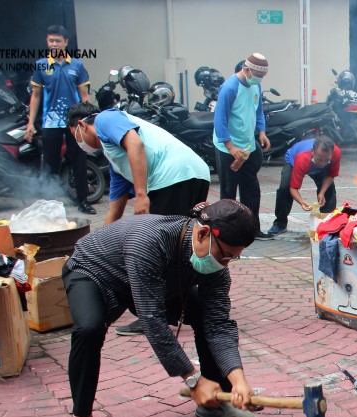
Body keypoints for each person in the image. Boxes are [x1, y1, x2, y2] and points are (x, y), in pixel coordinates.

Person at [60, 199, 259, 417]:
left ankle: (215, 402)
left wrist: (238, 380)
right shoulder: (150, 241)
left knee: (203, 313)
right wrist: (193, 380)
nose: (225, 264)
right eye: (224, 255)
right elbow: (152, 320)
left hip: (155, 281)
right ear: (202, 233)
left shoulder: (215, 268)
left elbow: (219, 325)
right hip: (96, 271)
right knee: (89, 329)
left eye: (233, 257)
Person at [68, 101, 211, 336]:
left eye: (74, 135)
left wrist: (142, 195)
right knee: (179, 247)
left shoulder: (105, 118)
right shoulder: (116, 158)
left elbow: (136, 143)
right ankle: (189, 305)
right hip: (192, 173)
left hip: (173, 177)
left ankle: (153, 315)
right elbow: (114, 211)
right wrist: (95, 249)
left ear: (82, 125)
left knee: (154, 251)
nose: (78, 143)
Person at [26, 25, 95, 215]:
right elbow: (36, 95)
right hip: (50, 123)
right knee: (50, 164)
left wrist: (89, 120)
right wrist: (31, 123)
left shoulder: (77, 65)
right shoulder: (42, 65)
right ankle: (49, 206)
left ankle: (83, 201)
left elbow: (84, 95)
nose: (54, 44)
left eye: (58, 41)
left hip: (74, 123)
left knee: (79, 161)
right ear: (47, 42)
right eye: (51, 41)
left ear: (65, 42)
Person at [214, 53, 271, 238]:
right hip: (228, 147)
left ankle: (252, 229)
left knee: (251, 188)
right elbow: (219, 119)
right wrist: (230, 147)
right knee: (229, 191)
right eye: (257, 75)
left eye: (262, 76)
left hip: (248, 146)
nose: (259, 79)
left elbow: (259, 110)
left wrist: (262, 132)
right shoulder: (230, 88)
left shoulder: (255, 84)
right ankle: (227, 231)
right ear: (246, 70)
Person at [266, 136, 340, 236]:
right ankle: (280, 223)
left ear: (332, 153)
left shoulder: (336, 153)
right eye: (319, 159)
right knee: (285, 188)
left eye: (326, 160)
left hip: (313, 165)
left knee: (329, 191)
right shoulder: (302, 158)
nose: (322, 163)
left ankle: (327, 224)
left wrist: (322, 192)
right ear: (312, 152)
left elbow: (331, 175)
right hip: (293, 160)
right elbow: (293, 188)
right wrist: (301, 201)